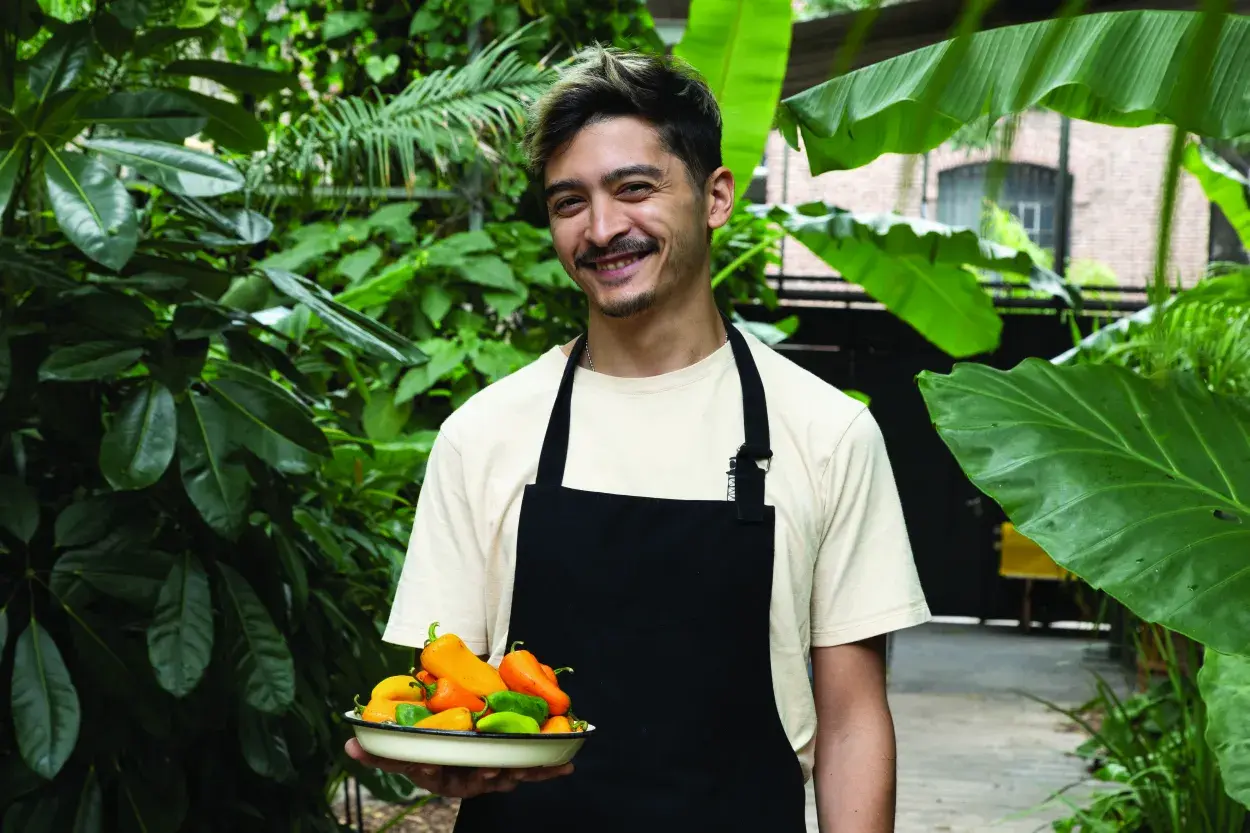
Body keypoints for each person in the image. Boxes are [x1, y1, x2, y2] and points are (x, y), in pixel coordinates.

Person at [345, 45, 931, 833]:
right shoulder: (483, 433)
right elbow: (447, 689)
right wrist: (432, 754)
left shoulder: (828, 433)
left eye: (634, 189)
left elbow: (853, 720)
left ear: (715, 196)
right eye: (569, 202)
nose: (602, 228)